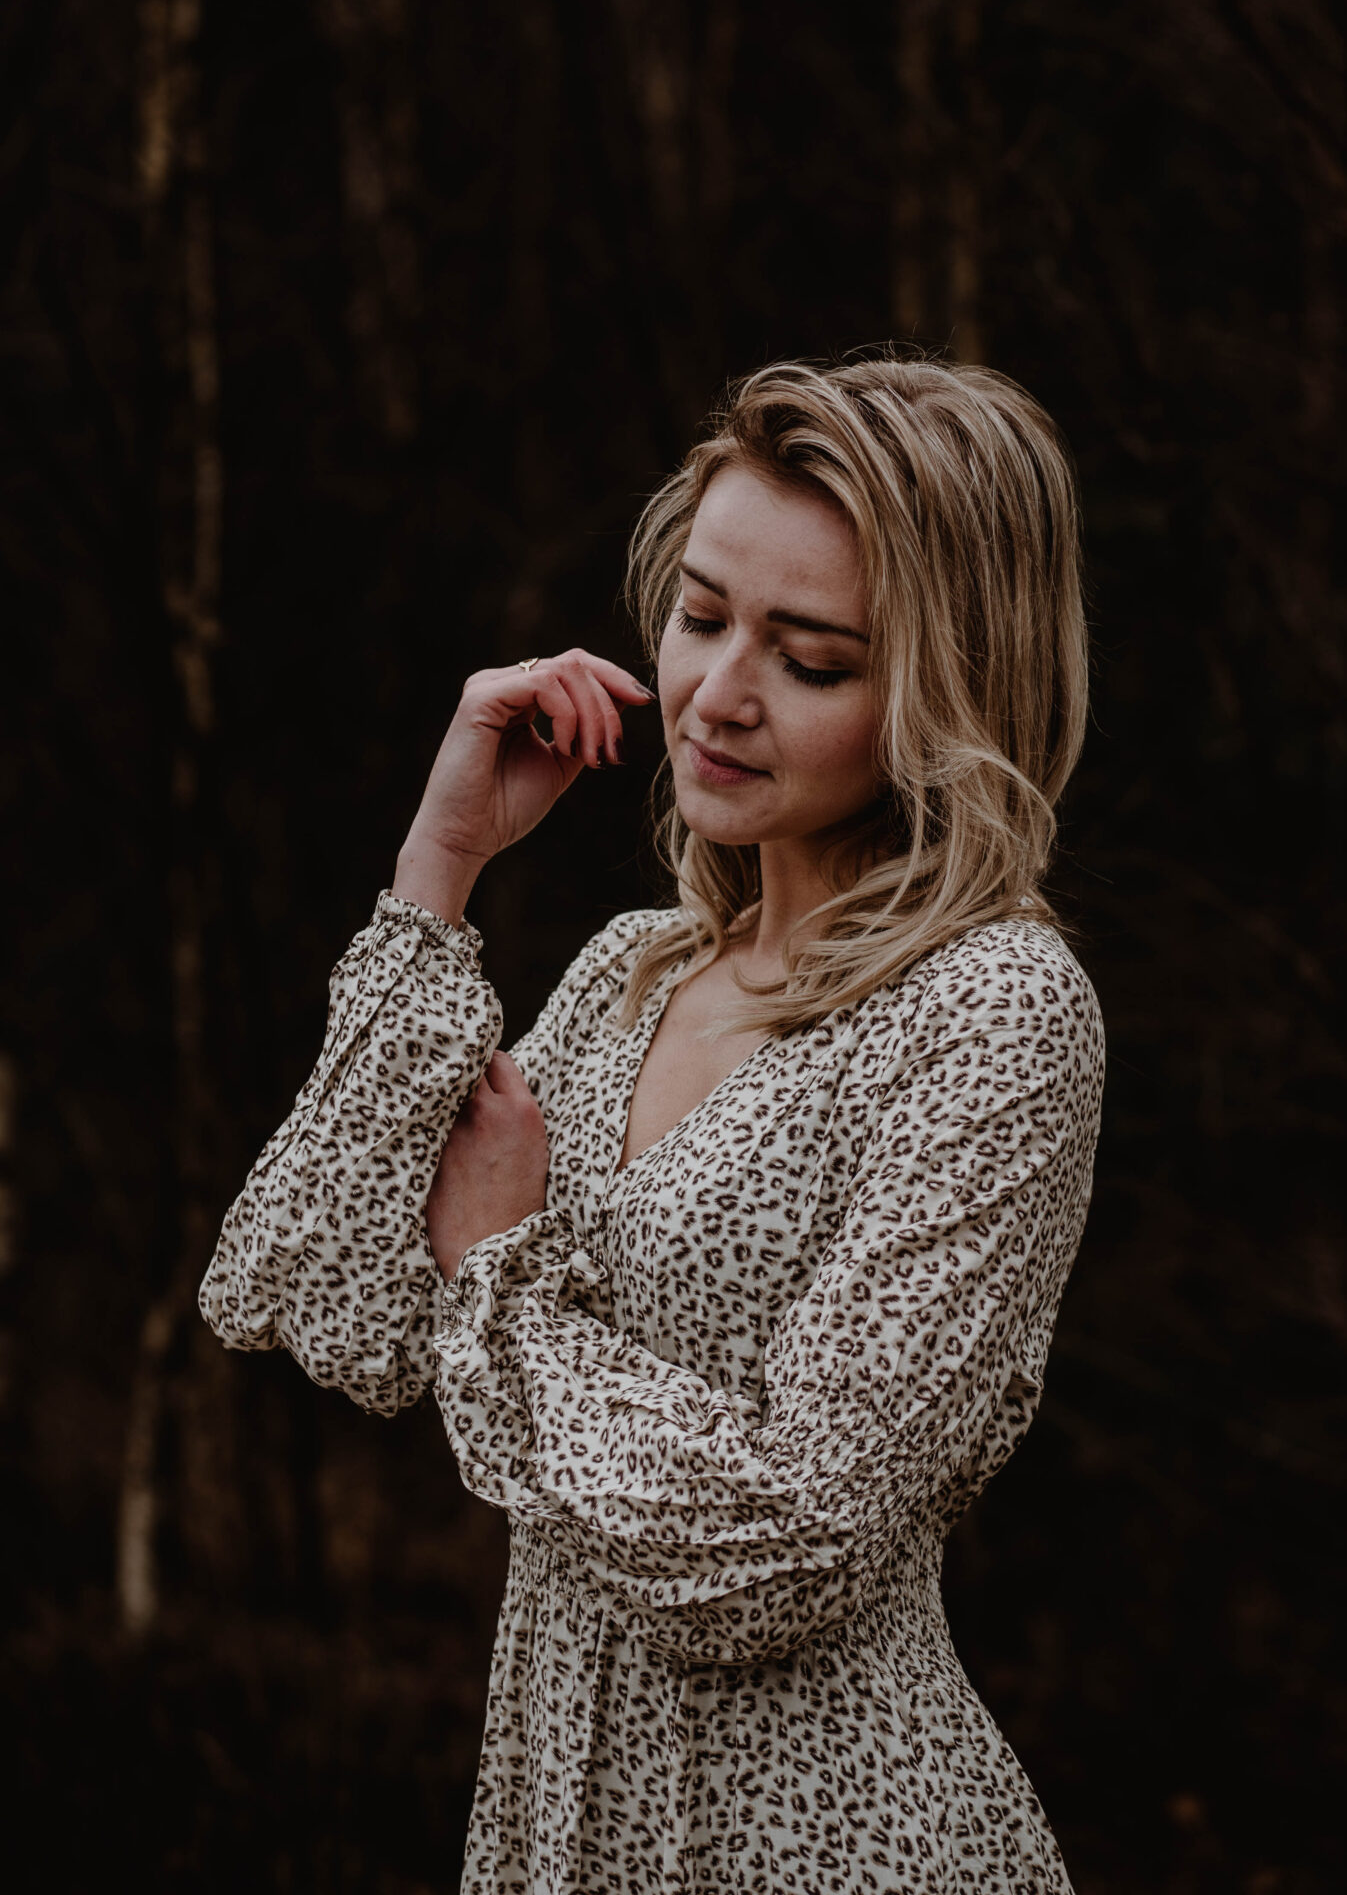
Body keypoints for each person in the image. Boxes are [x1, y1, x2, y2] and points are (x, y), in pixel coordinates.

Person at [202, 353, 1105, 1895]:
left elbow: (785, 1546)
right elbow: (330, 1303)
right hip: (560, 1819)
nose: (720, 695)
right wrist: (440, 869)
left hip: (834, 1840)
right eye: (700, 617)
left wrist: (501, 1282)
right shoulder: (634, 973)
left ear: (945, 694)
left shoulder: (995, 1012)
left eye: (810, 661)